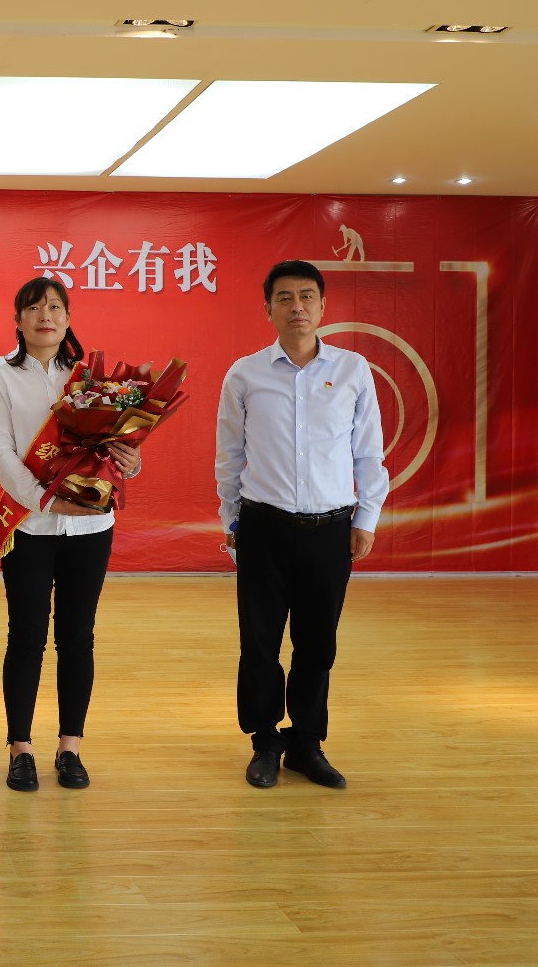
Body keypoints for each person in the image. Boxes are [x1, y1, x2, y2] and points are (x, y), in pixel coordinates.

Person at [215, 259, 389, 790]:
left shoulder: (353, 370)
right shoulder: (245, 374)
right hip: (263, 527)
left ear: (323, 305)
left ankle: (307, 744)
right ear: (268, 308)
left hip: (331, 528)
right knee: (260, 642)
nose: (297, 307)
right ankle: (265, 742)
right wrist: (231, 521)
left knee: (317, 643)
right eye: (285, 297)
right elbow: (229, 456)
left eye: (307, 296)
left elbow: (368, 453)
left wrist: (366, 518)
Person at [0, 277, 142, 792]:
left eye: (54, 307)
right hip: (30, 525)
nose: (44, 315)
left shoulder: (94, 381)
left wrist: (132, 460)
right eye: (33, 308)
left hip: (91, 525)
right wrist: (46, 501)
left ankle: (70, 746)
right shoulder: (0, 378)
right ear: (18, 321)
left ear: (68, 318)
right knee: (26, 637)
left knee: (77, 637)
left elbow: (119, 452)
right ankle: (20, 748)